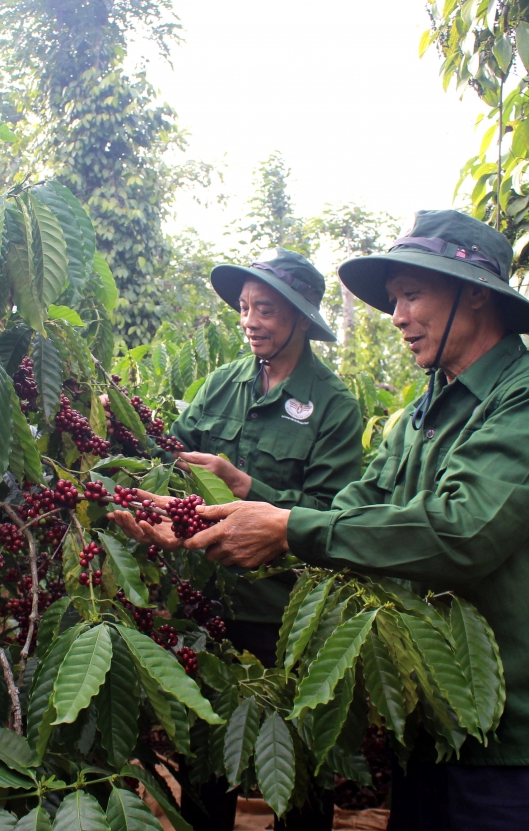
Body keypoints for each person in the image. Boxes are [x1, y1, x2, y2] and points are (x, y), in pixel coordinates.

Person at [117, 211, 529, 831]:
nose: (397, 316)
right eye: (394, 299)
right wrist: (208, 520)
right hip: (430, 724)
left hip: (516, 746)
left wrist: (287, 527)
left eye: (412, 294)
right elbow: (353, 510)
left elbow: (463, 528)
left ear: (476, 294)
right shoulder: (421, 417)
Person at [121, 248, 363, 831]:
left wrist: (247, 484)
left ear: (301, 321)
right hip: (213, 606)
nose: (251, 321)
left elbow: (336, 515)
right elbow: (170, 458)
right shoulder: (223, 384)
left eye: (268, 311)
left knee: (300, 762)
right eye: (246, 308)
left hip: (286, 614)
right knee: (205, 759)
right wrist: (123, 425)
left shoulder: (333, 406)